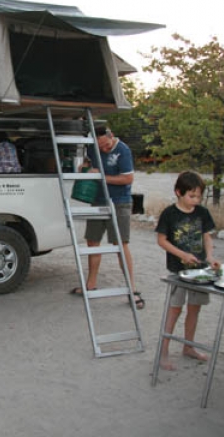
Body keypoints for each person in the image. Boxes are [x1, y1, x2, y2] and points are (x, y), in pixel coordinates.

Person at [69, 126, 143, 310]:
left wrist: (101, 176)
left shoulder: (123, 151)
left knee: (121, 244)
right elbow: (90, 160)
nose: (104, 149)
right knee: (92, 242)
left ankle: (132, 290)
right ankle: (90, 284)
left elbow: (128, 179)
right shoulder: (94, 147)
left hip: (119, 202)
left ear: (112, 136)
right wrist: (86, 165)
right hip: (98, 200)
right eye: (100, 146)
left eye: (106, 145)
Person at [155, 171, 220, 371]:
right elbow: (161, 240)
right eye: (191, 196)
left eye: (199, 196)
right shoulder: (169, 213)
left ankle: (188, 347)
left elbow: (207, 236)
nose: (196, 200)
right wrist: (181, 254)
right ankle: (163, 352)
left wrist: (210, 257)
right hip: (178, 271)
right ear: (178, 192)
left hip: (199, 271)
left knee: (195, 308)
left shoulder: (202, 213)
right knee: (174, 309)